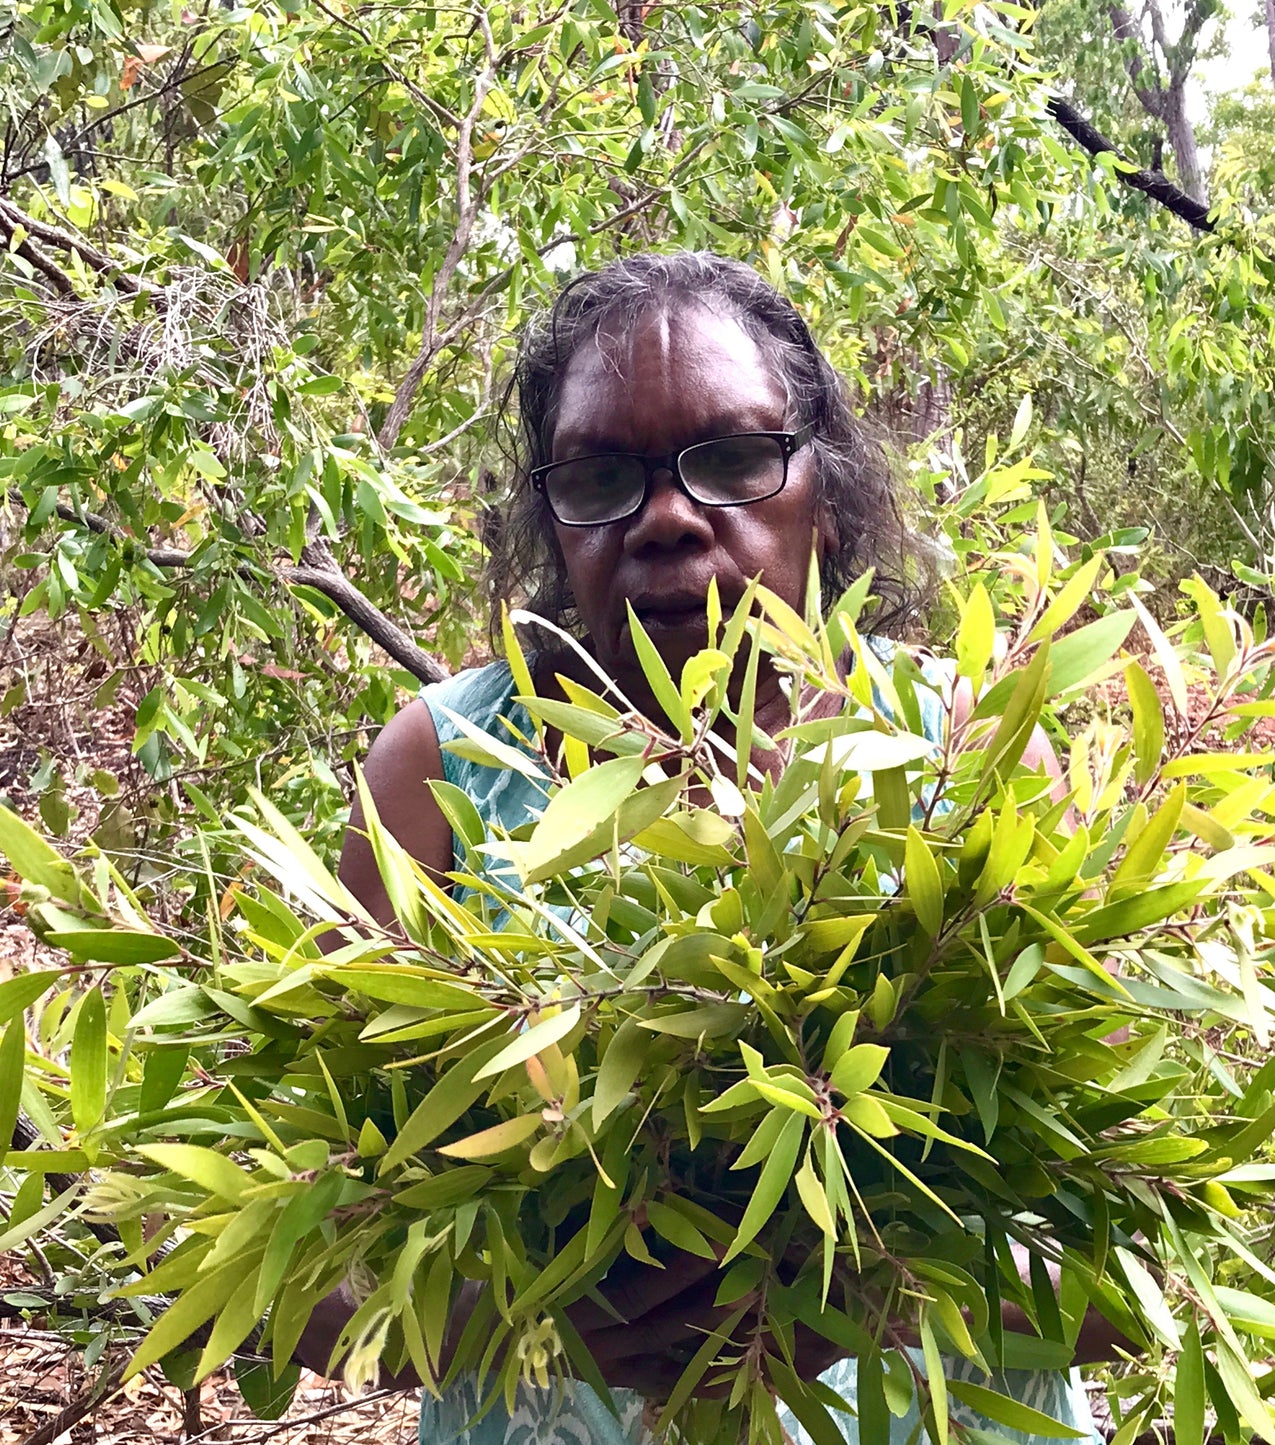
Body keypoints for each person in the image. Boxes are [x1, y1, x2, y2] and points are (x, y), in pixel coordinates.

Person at [308, 252, 1117, 1443]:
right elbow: (297, 1255)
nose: (669, 517)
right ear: (551, 517)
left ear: (823, 494)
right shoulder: (436, 773)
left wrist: (876, 1303)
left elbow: (1131, 1268)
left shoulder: (961, 752)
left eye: (733, 457)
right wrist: (513, 1316)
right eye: (599, 474)